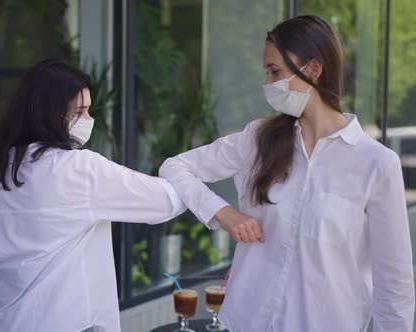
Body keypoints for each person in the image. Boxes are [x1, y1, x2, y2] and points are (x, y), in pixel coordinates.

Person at [159, 15, 415, 332]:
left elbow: (395, 283)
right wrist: (222, 213)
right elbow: (175, 166)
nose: (268, 83)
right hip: (244, 323)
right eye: (267, 72)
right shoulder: (257, 139)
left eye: (275, 71)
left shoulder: (376, 164)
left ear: (314, 68)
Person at [0, 58, 186, 332]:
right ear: (49, 112)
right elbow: (167, 202)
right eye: (80, 111)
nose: (88, 120)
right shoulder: (78, 168)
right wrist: (187, 169)